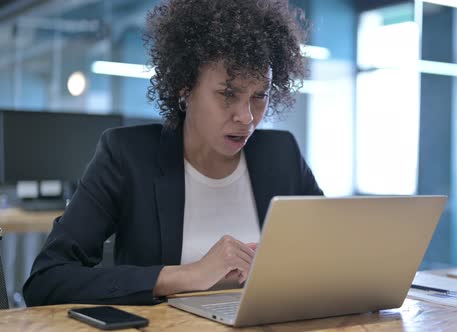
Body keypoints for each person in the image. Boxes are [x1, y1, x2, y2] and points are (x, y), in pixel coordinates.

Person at [23, 0, 322, 306]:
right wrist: (187, 276)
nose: (246, 117)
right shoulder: (127, 156)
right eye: (227, 94)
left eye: (260, 96)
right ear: (185, 87)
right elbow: (47, 280)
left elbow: (334, 255)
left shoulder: (281, 154)